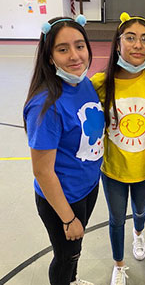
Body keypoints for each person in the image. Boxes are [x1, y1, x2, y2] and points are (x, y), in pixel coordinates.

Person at [23, 15, 105, 285]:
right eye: (62, 49)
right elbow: (43, 172)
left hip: (87, 187)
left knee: (75, 252)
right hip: (62, 199)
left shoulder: (83, 83)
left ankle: (73, 280)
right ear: (49, 56)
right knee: (65, 255)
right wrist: (68, 220)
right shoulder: (45, 104)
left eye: (79, 46)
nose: (74, 56)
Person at [91, 12, 145, 285]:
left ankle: (139, 233)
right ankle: (119, 264)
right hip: (113, 171)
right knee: (115, 219)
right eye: (130, 38)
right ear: (118, 43)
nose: (138, 45)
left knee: (141, 211)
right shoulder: (101, 81)